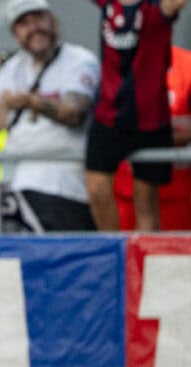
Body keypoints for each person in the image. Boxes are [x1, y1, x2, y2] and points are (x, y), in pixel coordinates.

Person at [0, 0, 99, 234]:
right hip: (16, 187)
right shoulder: (11, 67)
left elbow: (74, 113)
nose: (34, 28)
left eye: (39, 18)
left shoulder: (80, 60)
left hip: (65, 188)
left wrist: (33, 102)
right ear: (14, 33)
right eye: (24, 23)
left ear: (54, 21)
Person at [85, 0, 186, 232]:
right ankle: (114, 253)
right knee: (97, 190)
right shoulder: (108, 4)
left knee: (145, 202)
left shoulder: (156, 8)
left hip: (150, 121)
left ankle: (143, 261)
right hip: (109, 117)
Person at [114, 44, 191, 231]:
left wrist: (146, 136)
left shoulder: (186, 64)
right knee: (125, 256)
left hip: (175, 194)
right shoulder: (115, 61)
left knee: (170, 257)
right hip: (123, 192)